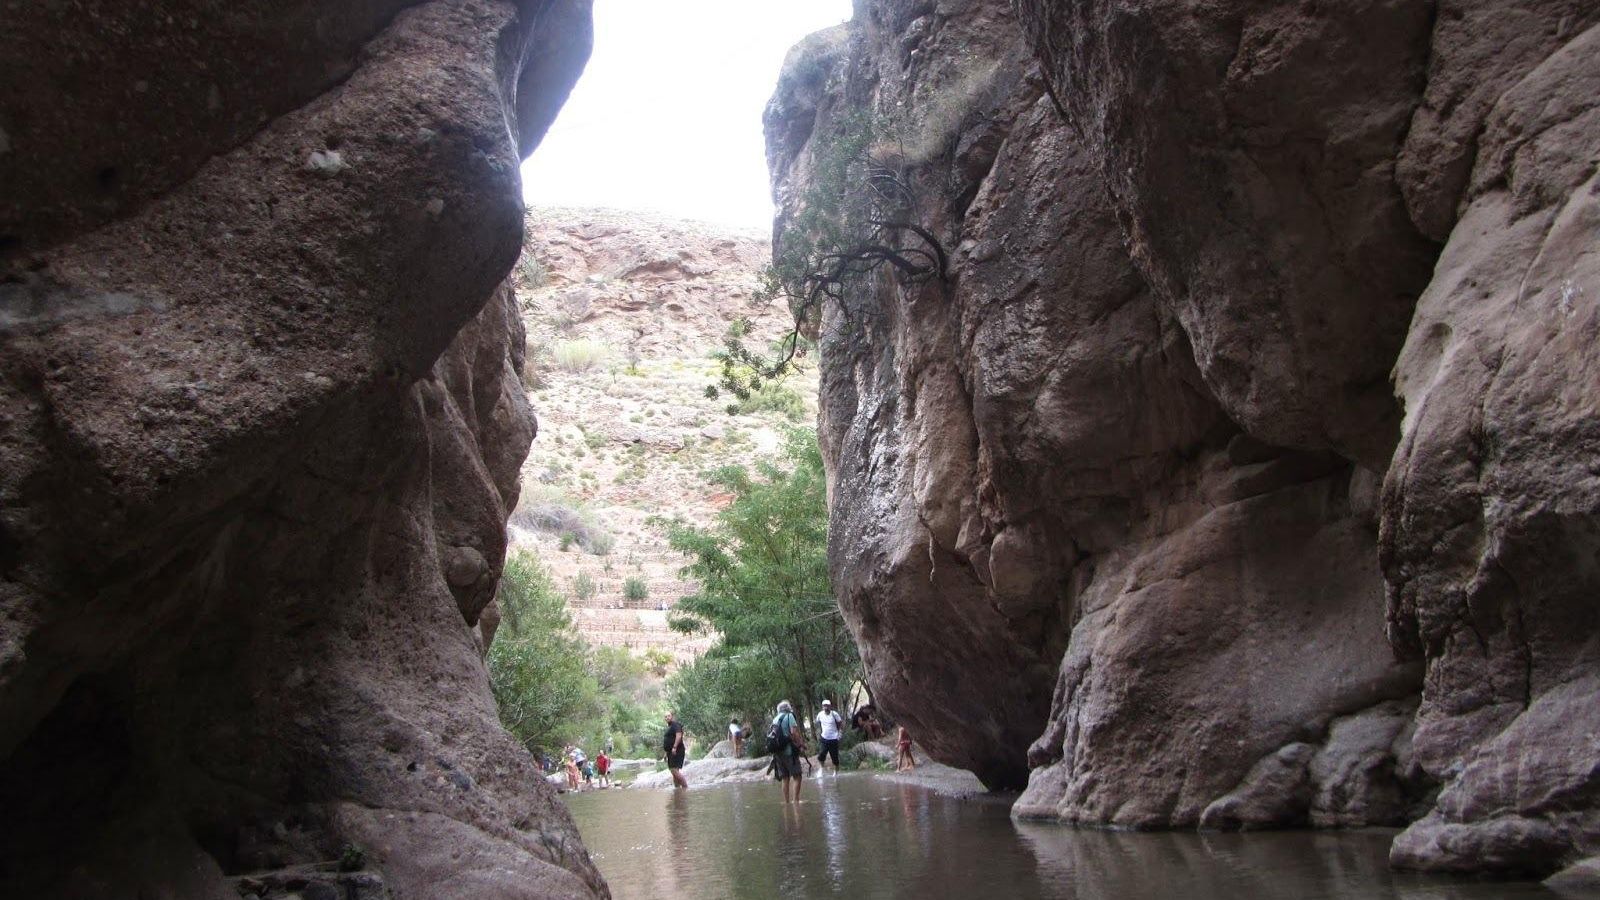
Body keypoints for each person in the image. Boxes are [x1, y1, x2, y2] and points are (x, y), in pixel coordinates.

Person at [771, 700, 806, 803]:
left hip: (778, 753)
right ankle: (796, 801)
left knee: (785, 778)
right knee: (797, 776)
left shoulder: (775, 719)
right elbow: (794, 732)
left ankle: (786, 803)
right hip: (789, 752)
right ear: (788, 708)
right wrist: (801, 745)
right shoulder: (789, 716)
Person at [815, 699, 845, 775]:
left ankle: (836, 773)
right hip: (824, 738)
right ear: (822, 707)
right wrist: (819, 733)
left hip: (834, 738)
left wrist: (840, 733)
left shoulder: (834, 714)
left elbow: (840, 724)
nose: (826, 707)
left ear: (830, 706)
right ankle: (821, 769)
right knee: (822, 754)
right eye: (824, 706)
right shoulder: (820, 715)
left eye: (827, 706)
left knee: (834, 757)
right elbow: (818, 724)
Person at [662, 711, 688, 789]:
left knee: (673, 770)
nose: (667, 718)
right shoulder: (669, 727)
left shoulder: (675, 725)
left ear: (672, 716)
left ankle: (685, 787)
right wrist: (666, 753)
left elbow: (679, 736)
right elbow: (669, 740)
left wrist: (674, 747)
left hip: (677, 750)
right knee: (674, 772)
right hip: (671, 752)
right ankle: (677, 790)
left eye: (668, 716)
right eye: (665, 717)